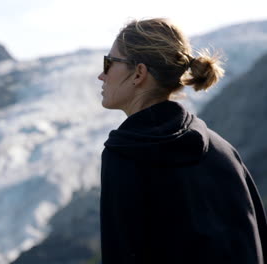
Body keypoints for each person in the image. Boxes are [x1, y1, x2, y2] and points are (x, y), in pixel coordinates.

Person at [98, 18, 267, 264]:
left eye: (109, 62)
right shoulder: (223, 150)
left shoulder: (126, 153)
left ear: (138, 73)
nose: (102, 75)